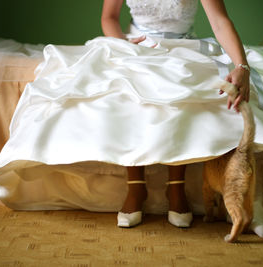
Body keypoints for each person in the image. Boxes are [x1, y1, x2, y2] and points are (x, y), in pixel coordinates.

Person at [101, 0, 250, 228]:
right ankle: (136, 187)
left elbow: (219, 21)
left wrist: (241, 66)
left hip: (181, 46)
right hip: (136, 45)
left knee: (179, 87)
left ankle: (176, 187)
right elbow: (109, 17)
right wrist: (123, 43)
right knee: (126, 85)